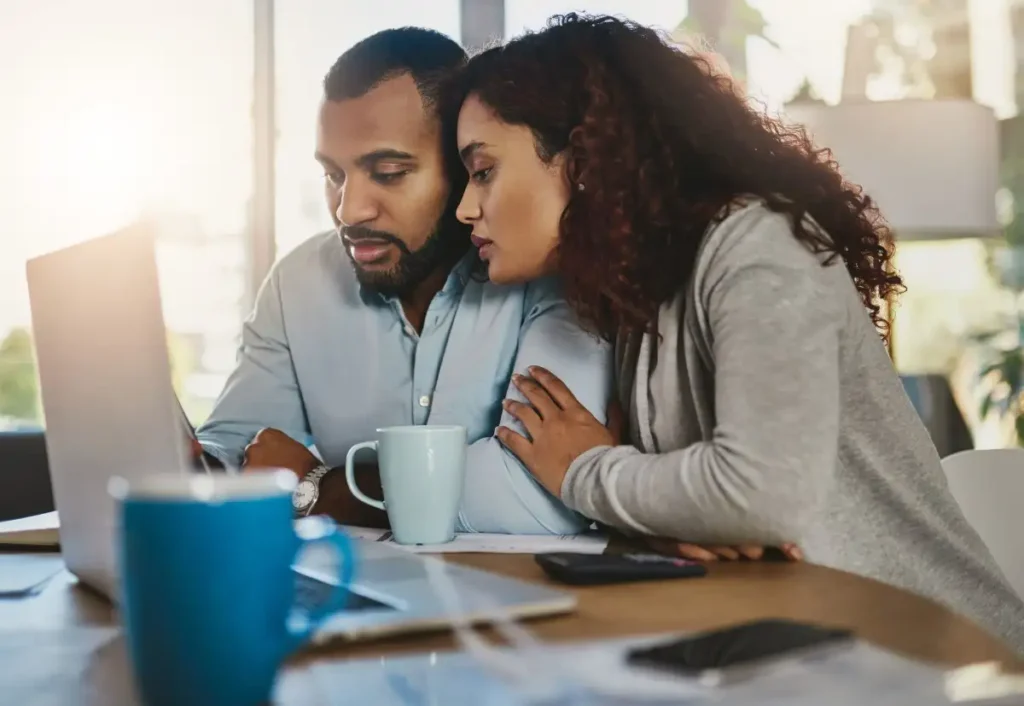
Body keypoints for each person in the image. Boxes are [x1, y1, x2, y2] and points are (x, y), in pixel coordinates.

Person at [451, 13, 1024, 650]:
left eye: (483, 171)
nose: (465, 208)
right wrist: (676, 511)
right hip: (809, 654)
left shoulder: (755, 245)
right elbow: (717, 510)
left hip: (952, 661)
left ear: (582, 161)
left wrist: (584, 470)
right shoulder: (638, 294)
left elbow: (758, 495)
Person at [194, 27, 614, 535]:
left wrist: (322, 488)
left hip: (524, 605)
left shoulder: (546, 272)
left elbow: (539, 500)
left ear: (466, 167)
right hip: (350, 603)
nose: (350, 210)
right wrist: (196, 465)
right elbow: (237, 451)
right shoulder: (297, 284)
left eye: (388, 172)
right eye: (334, 175)